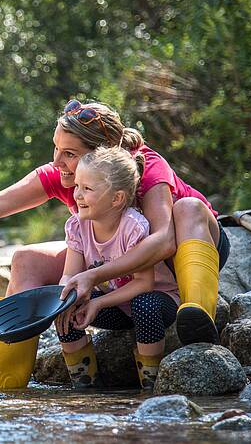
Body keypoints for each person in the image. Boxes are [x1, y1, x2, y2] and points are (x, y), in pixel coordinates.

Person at [0, 99, 230, 389]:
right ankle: (4, 385)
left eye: (69, 153)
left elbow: (164, 242)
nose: (57, 161)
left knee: (187, 208)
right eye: (55, 148)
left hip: (186, 250)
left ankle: (197, 316)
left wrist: (93, 279)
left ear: (104, 153)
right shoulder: (63, 174)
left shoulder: (146, 166)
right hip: (115, 255)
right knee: (26, 258)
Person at [53, 146, 179, 390]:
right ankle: (85, 385)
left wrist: (98, 302)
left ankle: (150, 384)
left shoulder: (133, 227)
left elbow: (144, 284)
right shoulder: (78, 226)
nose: (77, 195)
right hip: (118, 305)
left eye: (87, 189)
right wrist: (63, 299)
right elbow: (70, 274)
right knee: (67, 309)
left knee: (146, 304)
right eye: (77, 186)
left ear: (117, 198)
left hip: (157, 301)